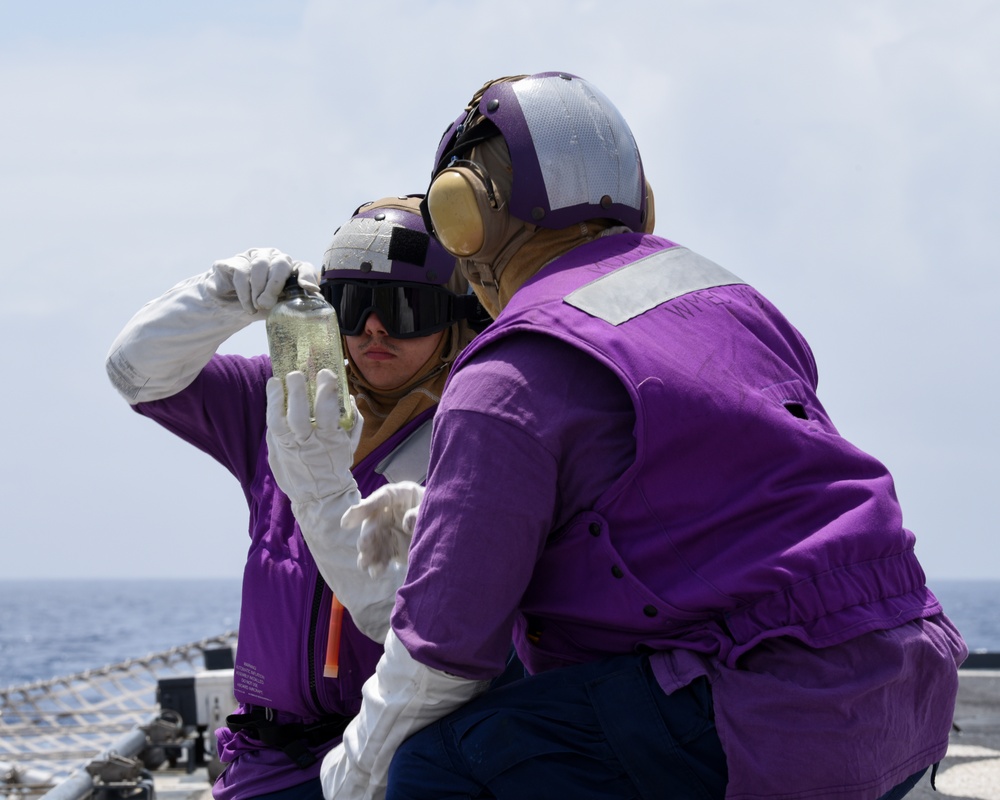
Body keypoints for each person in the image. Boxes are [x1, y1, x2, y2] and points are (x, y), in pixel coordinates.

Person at [268, 73, 968, 800]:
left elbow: (441, 659)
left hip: (775, 712)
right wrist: (452, 506)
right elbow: (709, 499)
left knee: (442, 762)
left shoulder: (508, 372)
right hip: (907, 680)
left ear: (463, 217)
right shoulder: (732, 301)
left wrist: (347, 780)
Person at [104, 195, 480, 800]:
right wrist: (220, 296)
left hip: (395, 755)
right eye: (354, 307)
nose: (375, 329)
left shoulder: (478, 434)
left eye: (408, 309)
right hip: (263, 757)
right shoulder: (277, 401)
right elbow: (134, 372)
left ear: (456, 318)